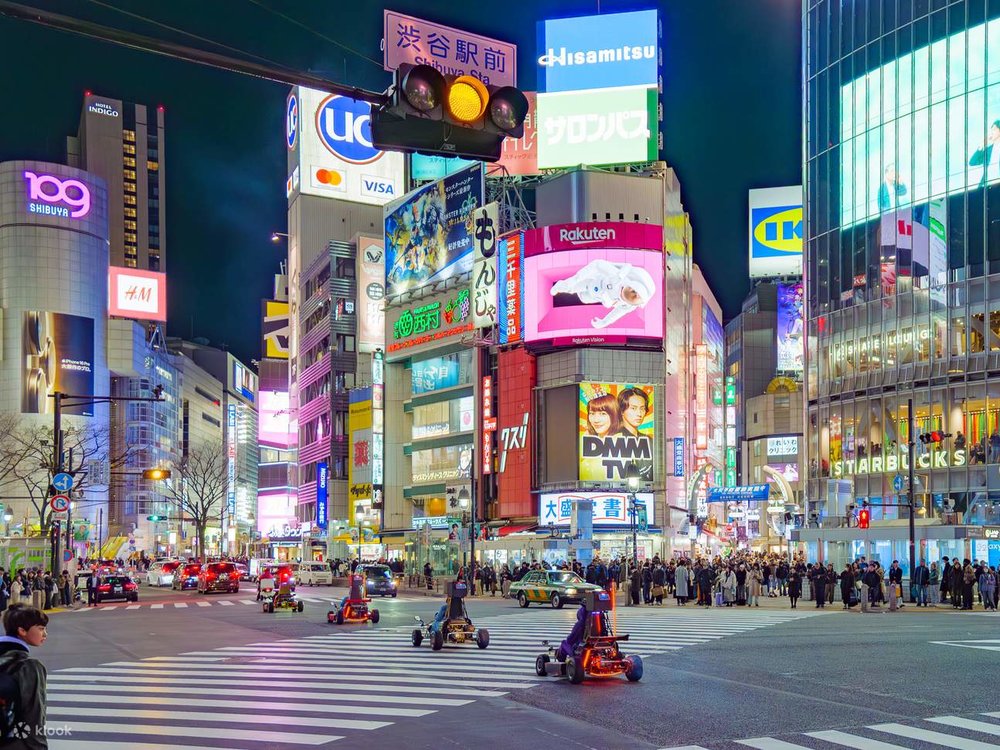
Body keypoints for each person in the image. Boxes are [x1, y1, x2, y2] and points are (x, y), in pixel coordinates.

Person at [549, 259, 656, 329]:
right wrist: (575, 279)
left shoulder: (629, 306)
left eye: (637, 297)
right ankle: (562, 285)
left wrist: (605, 322)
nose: (635, 295)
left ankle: (571, 287)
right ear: (630, 285)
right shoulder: (617, 277)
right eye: (635, 291)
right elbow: (597, 264)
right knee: (570, 288)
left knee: (584, 298)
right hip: (592, 283)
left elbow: (617, 313)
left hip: (595, 297)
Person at [0, 604, 48, 749]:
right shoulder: (28, 667)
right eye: (40, 628)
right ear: (22, 630)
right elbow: (34, 719)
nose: (45, 634)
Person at [969, 119, 1000, 185]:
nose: (991, 132)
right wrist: (981, 145)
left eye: (994, 129)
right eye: (991, 130)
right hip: (987, 187)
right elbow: (972, 162)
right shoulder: (988, 150)